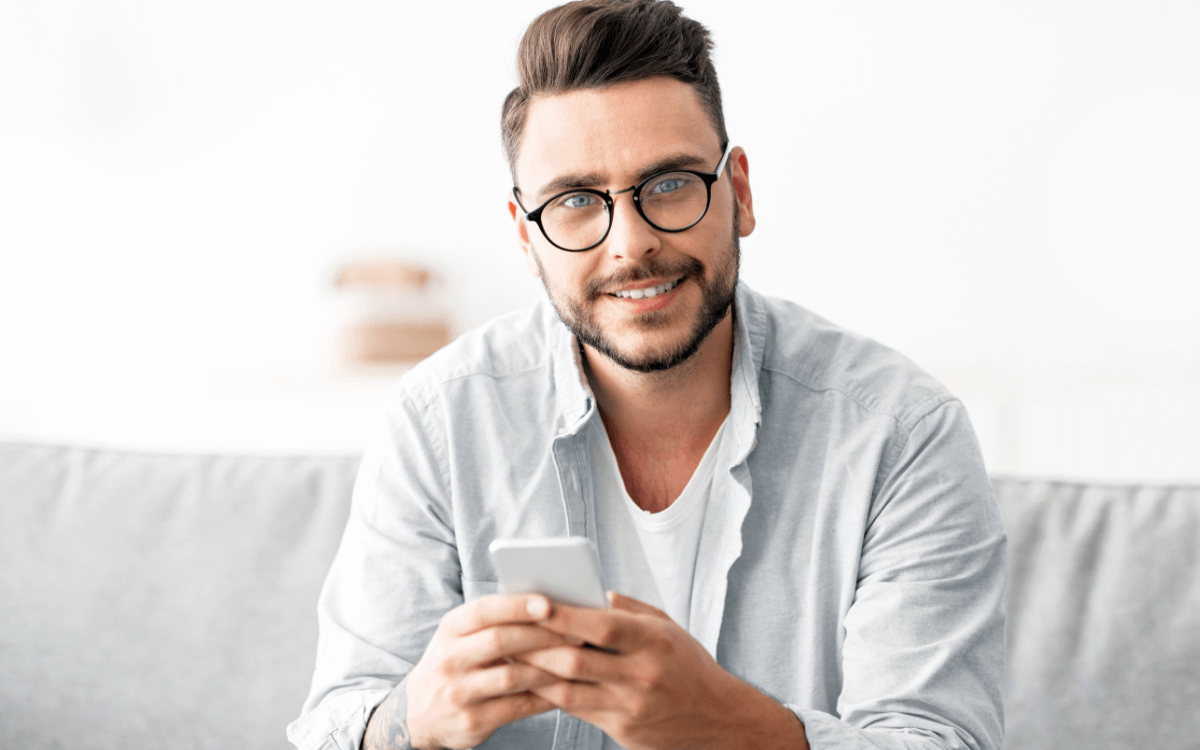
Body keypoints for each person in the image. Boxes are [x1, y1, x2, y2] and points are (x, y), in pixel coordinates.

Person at [288, 1, 1007, 749]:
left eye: (668, 184)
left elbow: (939, 740)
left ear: (741, 193)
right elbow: (336, 720)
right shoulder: (440, 421)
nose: (630, 246)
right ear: (525, 237)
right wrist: (410, 722)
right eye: (575, 201)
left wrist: (731, 727)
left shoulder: (902, 431)